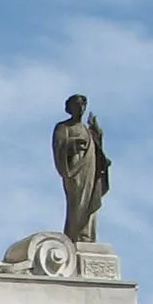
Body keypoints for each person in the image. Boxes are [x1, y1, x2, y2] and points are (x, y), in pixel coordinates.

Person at [52, 94, 110, 243]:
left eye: (83, 105)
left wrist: (98, 134)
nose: (80, 108)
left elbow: (97, 151)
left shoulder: (87, 129)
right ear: (70, 108)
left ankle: (86, 235)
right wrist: (74, 142)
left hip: (89, 168)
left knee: (90, 200)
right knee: (77, 202)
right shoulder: (63, 127)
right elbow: (59, 146)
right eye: (77, 105)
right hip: (74, 169)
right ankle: (75, 234)